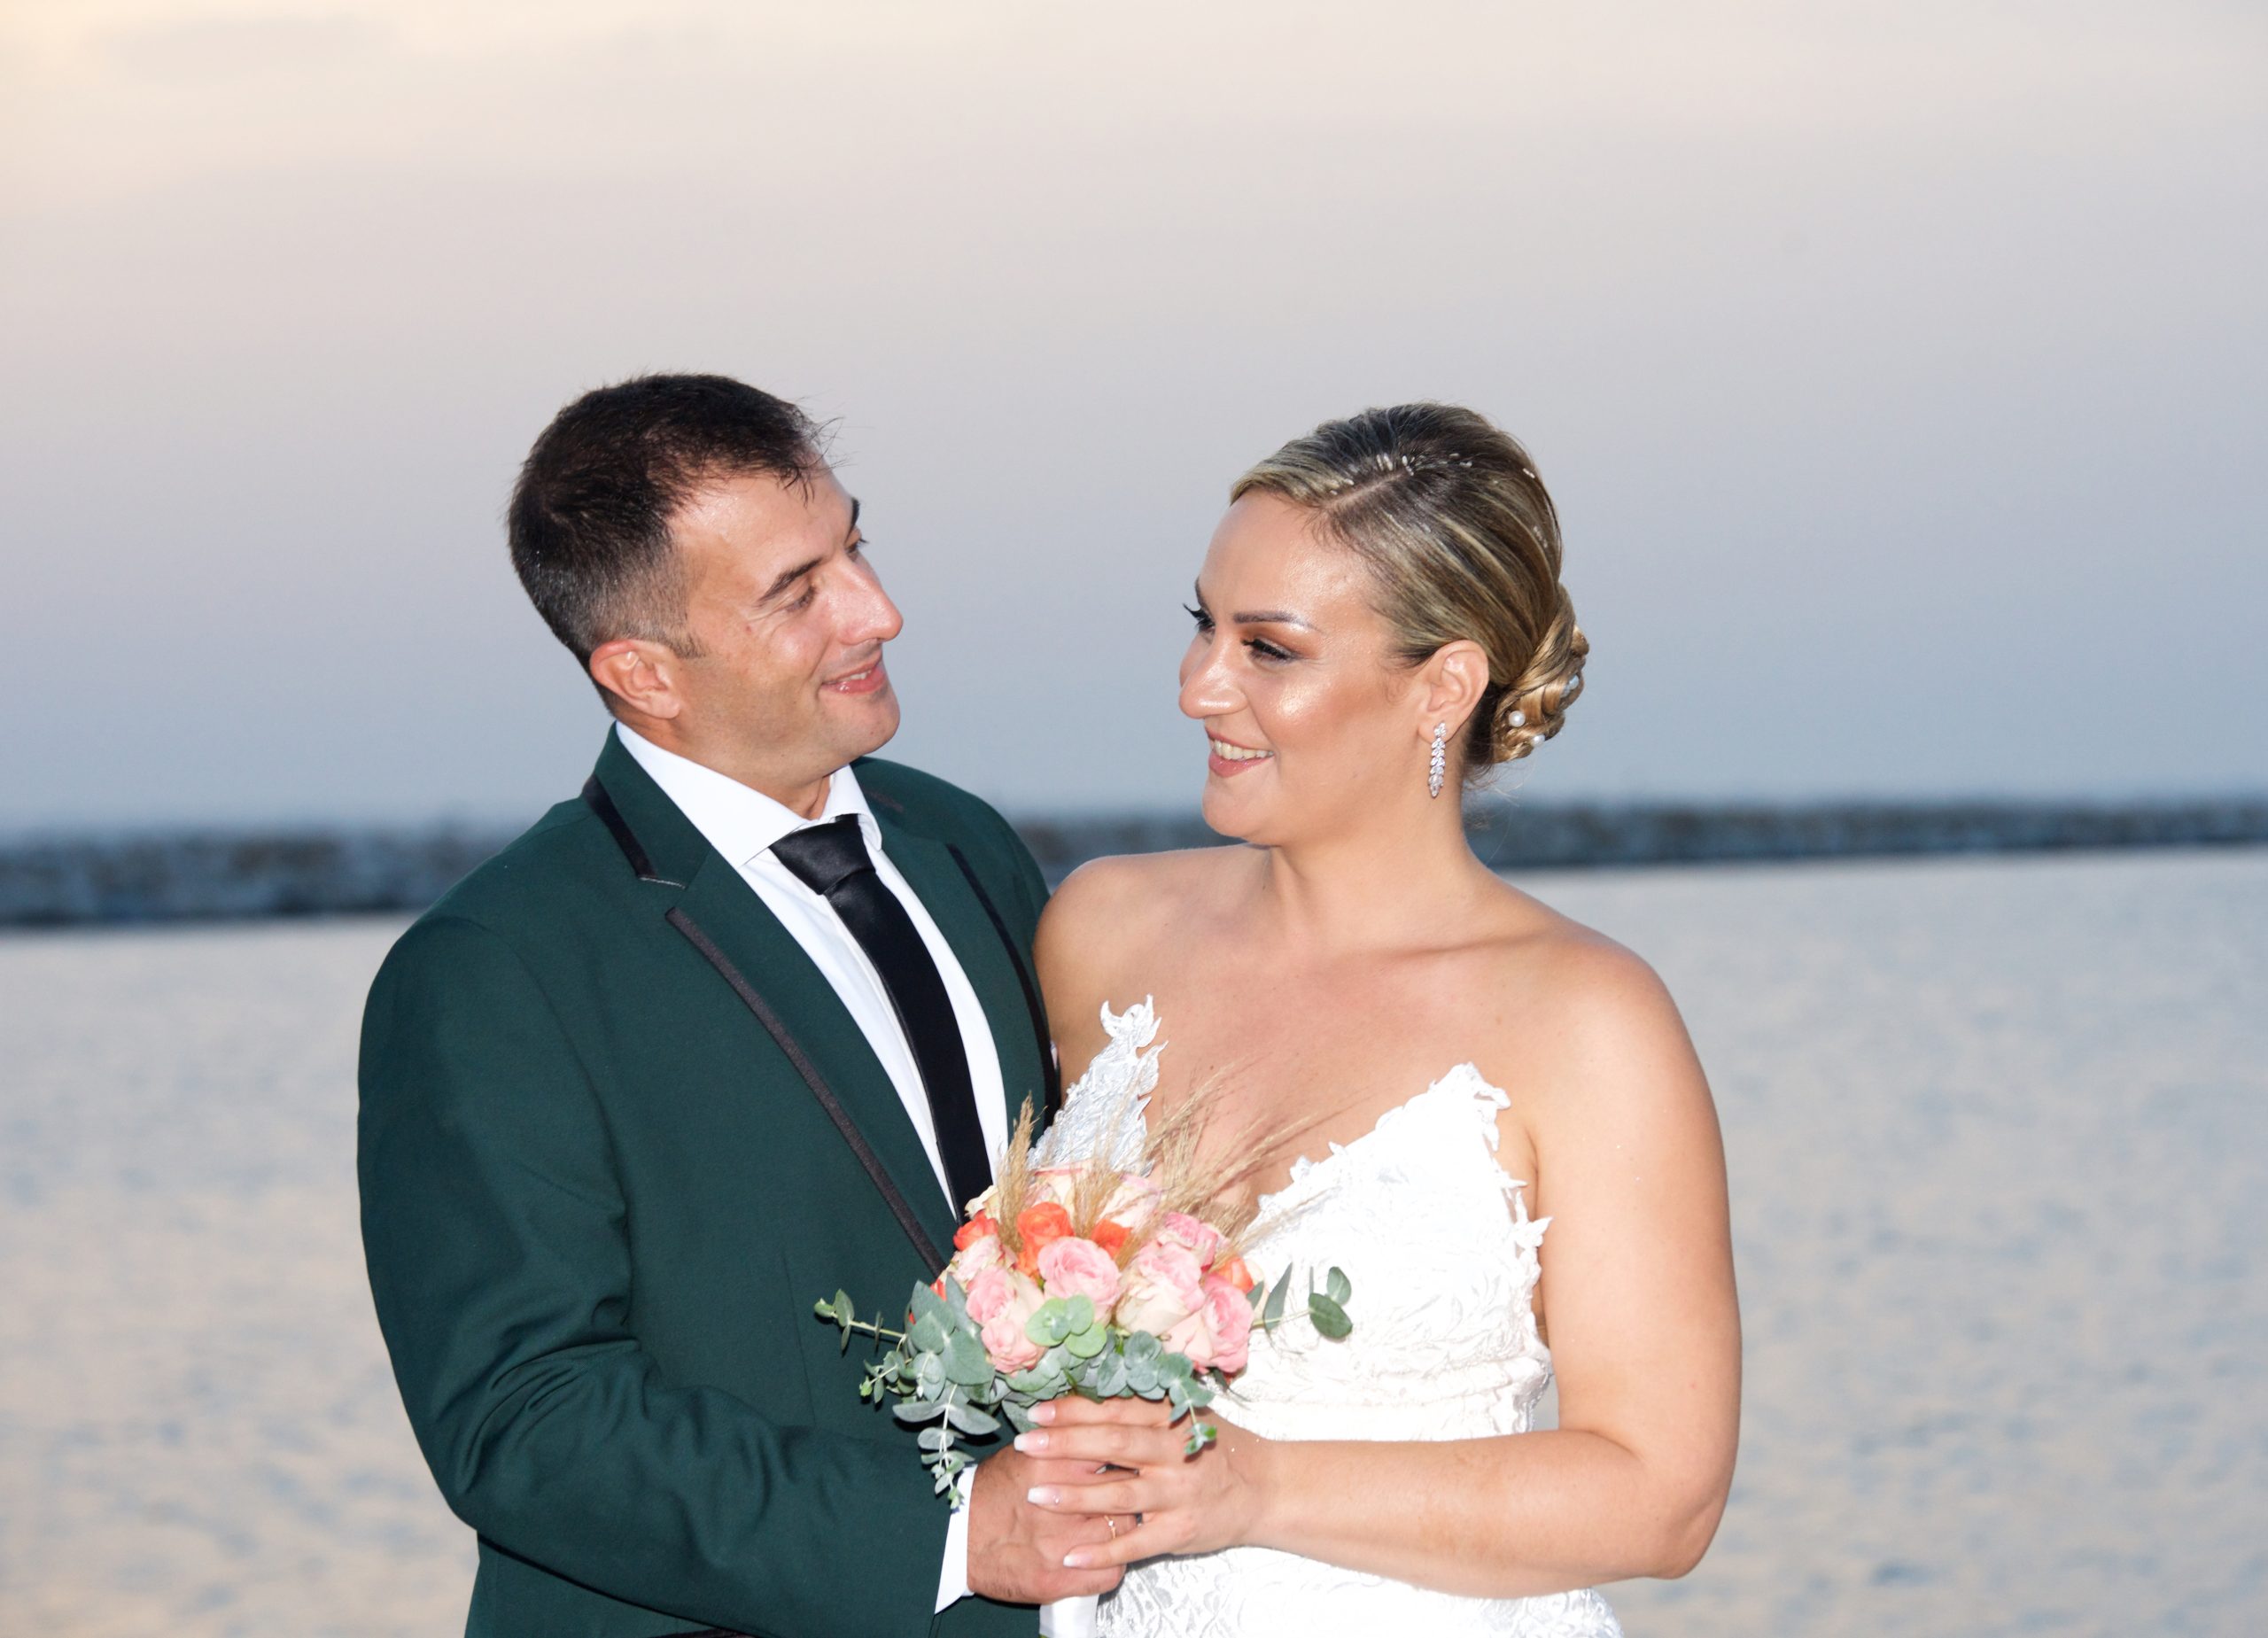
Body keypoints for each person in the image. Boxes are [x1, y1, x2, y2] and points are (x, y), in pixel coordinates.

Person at [357, 374, 1119, 1637]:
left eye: (855, 547)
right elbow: (522, 1417)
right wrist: (948, 1533)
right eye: (798, 591)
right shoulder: (495, 968)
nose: (878, 609)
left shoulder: (963, 843)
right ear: (643, 672)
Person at [1023, 405, 1742, 1634]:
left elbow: (1662, 1497)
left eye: (1270, 648)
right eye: (1203, 624)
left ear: (1443, 687)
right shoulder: (1101, 929)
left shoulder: (1585, 1021)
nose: (1199, 687)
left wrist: (1262, 1487)